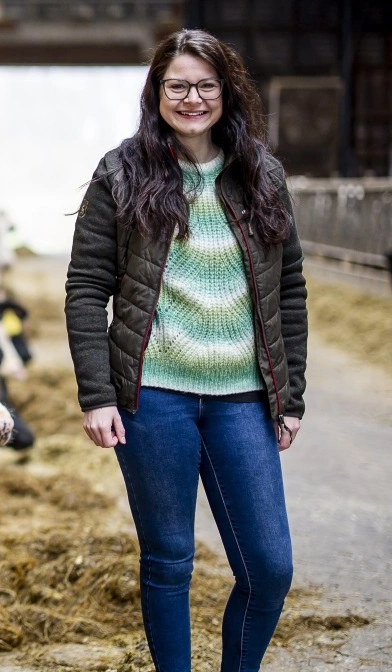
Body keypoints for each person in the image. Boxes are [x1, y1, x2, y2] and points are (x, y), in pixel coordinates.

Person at [64, 29, 307, 671]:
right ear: (157, 93)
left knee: (270, 567)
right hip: (154, 397)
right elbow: (86, 288)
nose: (192, 98)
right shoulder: (121, 172)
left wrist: (292, 397)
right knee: (169, 559)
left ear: (226, 92)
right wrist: (97, 395)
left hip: (244, 401)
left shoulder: (263, 175)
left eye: (205, 85)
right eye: (178, 85)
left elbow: (289, 292)